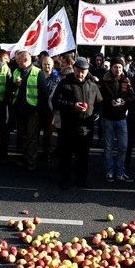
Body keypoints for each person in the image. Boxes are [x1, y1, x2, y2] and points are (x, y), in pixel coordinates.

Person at [53, 57, 103, 189]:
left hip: (87, 128)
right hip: (69, 127)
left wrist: (97, 114)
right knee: (67, 154)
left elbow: (99, 104)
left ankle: (82, 178)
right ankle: (64, 179)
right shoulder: (64, 83)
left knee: (83, 155)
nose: (80, 74)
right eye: (78, 70)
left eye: (83, 72)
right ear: (74, 69)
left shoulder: (92, 85)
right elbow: (55, 102)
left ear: (87, 71)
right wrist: (72, 106)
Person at [11, 50, 49, 171]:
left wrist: (38, 110)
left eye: (18, 60)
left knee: (32, 137)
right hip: (19, 110)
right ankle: (25, 157)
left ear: (25, 60)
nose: (17, 63)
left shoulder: (38, 72)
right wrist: (15, 85)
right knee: (22, 136)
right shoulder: (17, 71)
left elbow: (43, 94)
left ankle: (31, 162)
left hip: (33, 111)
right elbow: (9, 88)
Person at [100, 57, 134, 182]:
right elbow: (100, 97)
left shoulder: (126, 80)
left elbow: (132, 96)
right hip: (108, 118)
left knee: (123, 147)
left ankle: (120, 172)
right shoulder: (104, 81)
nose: (118, 69)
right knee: (108, 147)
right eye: (115, 67)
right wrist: (111, 101)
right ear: (111, 68)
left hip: (121, 118)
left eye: (120, 67)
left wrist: (124, 102)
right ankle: (109, 171)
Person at [41, 56, 61, 162]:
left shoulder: (57, 77)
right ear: (42, 65)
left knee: (48, 133)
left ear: (52, 65)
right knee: (34, 132)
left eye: (49, 64)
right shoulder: (38, 75)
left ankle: (46, 152)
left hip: (50, 109)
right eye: (45, 64)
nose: (47, 66)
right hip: (38, 108)